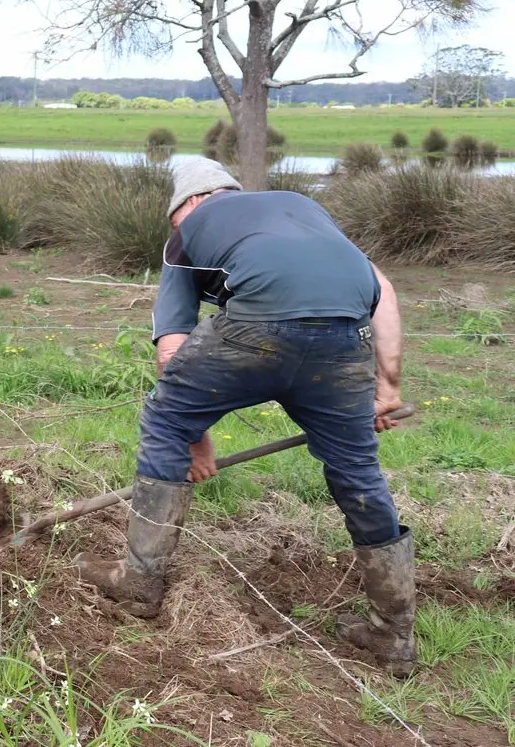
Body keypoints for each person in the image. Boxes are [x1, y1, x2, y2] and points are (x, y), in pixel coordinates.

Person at [71, 157, 416, 677]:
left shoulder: (189, 231)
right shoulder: (303, 208)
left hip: (257, 329)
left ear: (186, 205)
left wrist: (196, 441)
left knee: (165, 421)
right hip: (346, 339)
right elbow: (381, 290)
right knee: (357, 469)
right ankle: (393, 635)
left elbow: (172, 351)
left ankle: (139, 584)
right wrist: (385, 389)